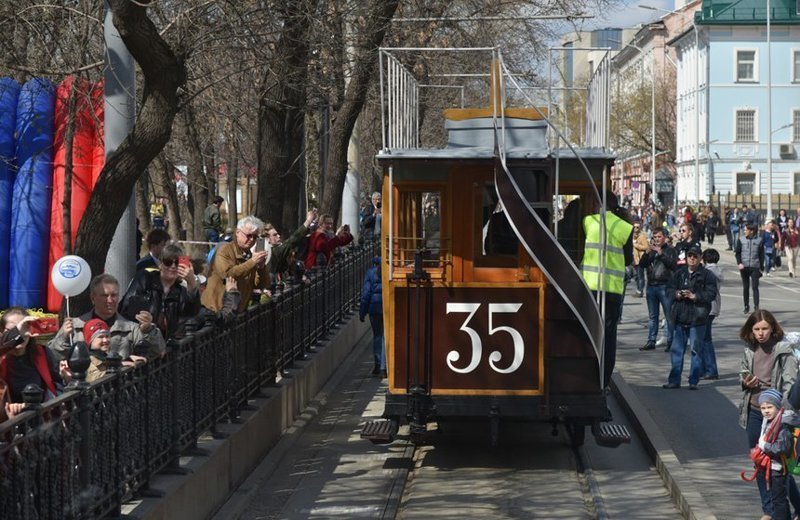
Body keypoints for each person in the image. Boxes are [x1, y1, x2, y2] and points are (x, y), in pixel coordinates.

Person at [738, 310, 799, 520]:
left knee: (777, 465)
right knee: (759, 461)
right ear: (751, 330)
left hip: (776, 416)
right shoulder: (749, 348)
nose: (761, 333)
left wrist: (780, 413)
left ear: (772, 328)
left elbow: (791, 387)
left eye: (764, 328)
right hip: (754, 411)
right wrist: (746, 381)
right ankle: (769, 509)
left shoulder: (784, 350)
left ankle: (784, 508)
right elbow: (743, 371)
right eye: (756, 329)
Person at [579, 191, 633, 386]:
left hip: (590, 286)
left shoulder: (588, 222)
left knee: (589, 332)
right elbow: (628, 259)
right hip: (612, 290)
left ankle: (587, 375)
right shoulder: (625, 227)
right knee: (609, 336)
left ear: (596, 203)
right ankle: (604, 379)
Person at [49, 274, 166, 361]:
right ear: (93, 298)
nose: (110, 300)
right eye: (104, 296)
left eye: (114, 295)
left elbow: (159, 352)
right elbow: (52, 356)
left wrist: (148, 331)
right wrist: (63, 337)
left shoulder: (131, 328)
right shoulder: (75, 326)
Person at [662, 246, 717, 390]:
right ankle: (674, 380)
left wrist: (695, 296)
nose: (692, 258)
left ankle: (693, 381)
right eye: (690, 256)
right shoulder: (679, 273)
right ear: (686, 258)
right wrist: (677, 294)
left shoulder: (707, 275)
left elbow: (711, 294)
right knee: (677, 350)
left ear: (700, 258)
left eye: (695, 256)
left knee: (696, 351)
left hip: (698, 319)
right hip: (680, 317)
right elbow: (668, 290)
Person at [120, 244, 201, 339]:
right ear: (160, 264)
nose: (173, 266)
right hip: (140, 339)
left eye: (177, 263)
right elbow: (128, 307)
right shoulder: (145, 278)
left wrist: (192, 284)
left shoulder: (180, 291)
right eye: (168, 262)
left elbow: (191, 313)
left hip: (166, 346)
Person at [201, 215, 271, 313]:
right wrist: (252, 261)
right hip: (216, 311)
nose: (252, 239)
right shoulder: (224, 250)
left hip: (237, 313)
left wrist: (261, 267)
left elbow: (261, 284)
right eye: (249, 235)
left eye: (255, 237)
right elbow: (228, 274)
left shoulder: (250, 255)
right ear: (238, 233)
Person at [0, 308, 64, 408]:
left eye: (24, 328)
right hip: (10, 420)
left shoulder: (42, 353)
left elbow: (57, 385)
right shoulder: (2, 358)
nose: (21, 333)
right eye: (14, 330)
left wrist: (67, 377)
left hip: (42, 416)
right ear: (2, 332)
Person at [751, 388, 793, 520]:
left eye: (770, 407)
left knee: (778, 501)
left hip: (778, 470)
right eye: (763, 408)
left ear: (778, 407)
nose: (766, 411)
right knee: (779, 499)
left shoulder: (781, 426)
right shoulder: (769, 422)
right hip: (773, 469)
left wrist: (764, 445)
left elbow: (781, 448)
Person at [639, 227, 678, 352]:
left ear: (664, 238)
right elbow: (641, 265)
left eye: (659, 237)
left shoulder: (670, 250)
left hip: (664, 286)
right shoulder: (651, 251)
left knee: (669, 316)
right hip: (651, 286)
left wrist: (661, 254)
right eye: (654, 237)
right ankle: (651, 341)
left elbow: (673, 265)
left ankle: (671, 341)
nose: (656, 239)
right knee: (652, 316)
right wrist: (646, 253)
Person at [265, 210, 317, 278]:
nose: (279, 236)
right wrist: (308, 221)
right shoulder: (273, 251)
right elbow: (291, 241)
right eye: (275, 235)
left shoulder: (275, 250)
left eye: (277, 234)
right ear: (267, 239)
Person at [699, 248, 723, 380]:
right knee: (703, 338)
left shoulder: (708, 271)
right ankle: (705, 368)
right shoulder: (717, 269)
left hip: (708, 306)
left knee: (705, 339)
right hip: (713, 306)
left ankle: (711, 369)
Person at [359, 256, 384, 377]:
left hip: (374, 308)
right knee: (386, 336)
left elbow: (366, 294)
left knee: (377, 336)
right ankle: (386, 365)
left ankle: (378, 364)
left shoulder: (370, 273)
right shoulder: (388, 270)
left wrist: (362, 312)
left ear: (374, 264)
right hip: (386, 305)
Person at [735, 223, 765, 314]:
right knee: (746, 287)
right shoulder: (741, 240)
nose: (744, 231)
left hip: (755, 266)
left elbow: (761, 254)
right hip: (744, 267)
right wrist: (739, 263)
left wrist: (761, 267)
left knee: (755, 287)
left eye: (746, 230)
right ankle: (746, 305)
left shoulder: (759, 240)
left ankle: (756, 306)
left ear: (751, 231)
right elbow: (737, 253)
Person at [632, 222, 649, 297]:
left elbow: (646, 247)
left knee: (640, 276)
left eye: (637, 227)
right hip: (634, 259)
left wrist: (637, 245)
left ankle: (640, 291)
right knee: (636, 276)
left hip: (640, 259)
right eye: (634, 227)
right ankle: (638, 289)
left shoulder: (642, 236)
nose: (635, 229)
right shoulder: (632, 236)